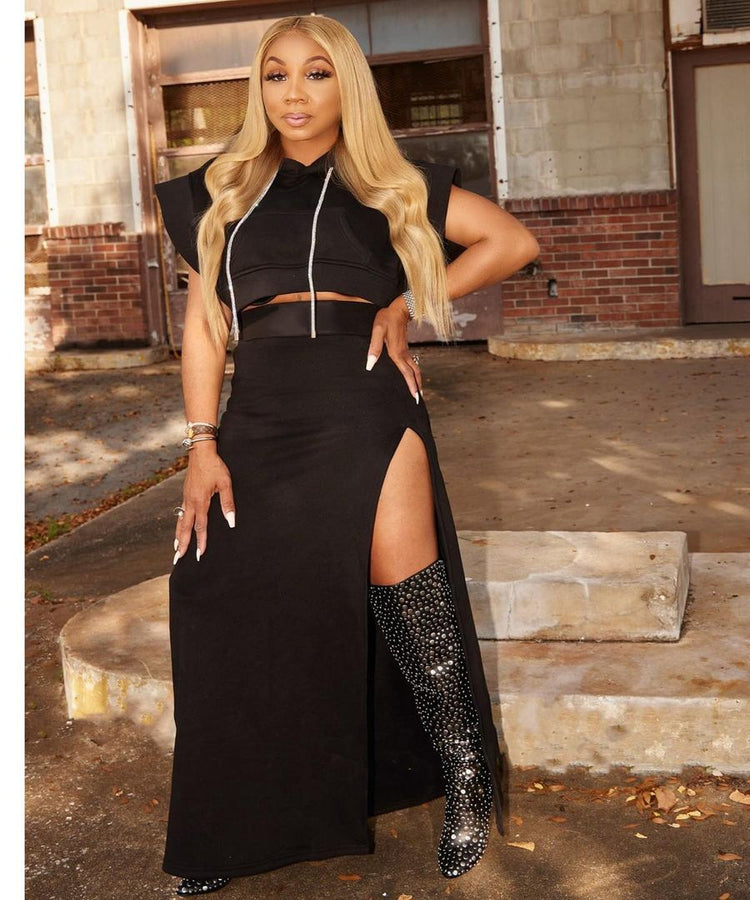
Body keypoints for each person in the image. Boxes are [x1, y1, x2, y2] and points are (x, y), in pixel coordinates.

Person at [153, 13, 540, 897]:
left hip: (366, 402)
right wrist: (202, 443)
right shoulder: (216, 193)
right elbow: (205, 329)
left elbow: (511, 242)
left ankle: (468, 779)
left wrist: (406, 303)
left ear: (346, 85)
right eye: (277, 74)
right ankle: (241, 820)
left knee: (412, 600)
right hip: (262, 411)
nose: (294, 92)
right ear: (258, 87)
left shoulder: (393, 182)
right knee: (225, 597)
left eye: (316, 73)